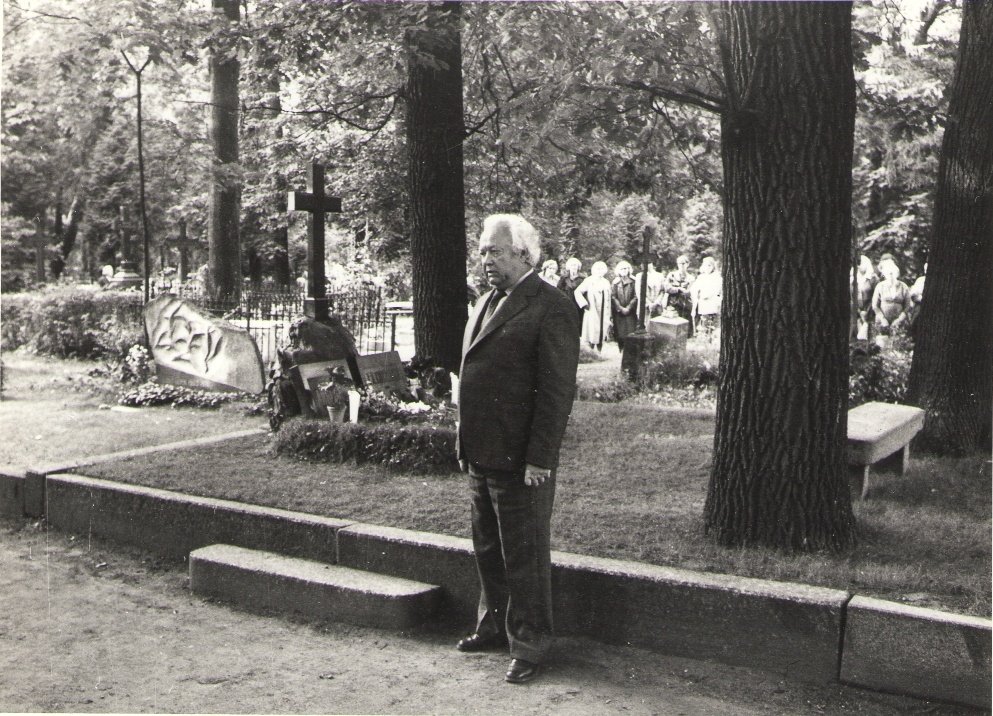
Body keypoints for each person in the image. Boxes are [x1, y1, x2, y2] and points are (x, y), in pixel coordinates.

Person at [456, 214, 580, 685]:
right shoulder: (487, 301)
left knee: (524, 553)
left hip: (521, 459)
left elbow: (555, 393)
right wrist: (464, 442)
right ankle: (492, 626)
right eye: (483, 250)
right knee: (487, 546)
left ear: (524, 255)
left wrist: (540, 459)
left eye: (495, 251)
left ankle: (529, 644)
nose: (485, 259)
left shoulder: (551, 306)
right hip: (481, 453)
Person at [872, 257, 912, 346]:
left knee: (897, 345)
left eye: (892, 273)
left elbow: (907, 306)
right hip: (882, 323)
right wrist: (883, 320)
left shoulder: (903, 286)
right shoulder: (880, 286)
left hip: (899, 323)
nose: (890, 275)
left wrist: (899, 319)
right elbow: (875, 306)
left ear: (896, 273)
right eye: (888, 273)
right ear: (884, 275)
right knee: (882, 346)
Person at [574, 261, 612, 351]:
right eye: (598, 269)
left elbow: (609, 298)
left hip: (603, 309)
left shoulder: (606, 282)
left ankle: (600, 349)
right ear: (594, 270)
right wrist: (584, 304)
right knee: (592, 329)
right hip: (592, 309)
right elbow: (577, 291)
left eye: (601, 269)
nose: (600, 271)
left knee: (602, 328)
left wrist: (610, 313)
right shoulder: (589, 280)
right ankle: (591, 350)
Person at [691, 256, 722, 342]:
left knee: (712, 323)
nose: (708, 268)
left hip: (713, 303)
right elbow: (694, 289)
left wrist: (708, 295)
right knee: (703, 322)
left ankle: (712, 340)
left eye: (710, 265)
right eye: (706, 265)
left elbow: (717, 290)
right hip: (703, 304)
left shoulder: (717, 277)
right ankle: (703, 340)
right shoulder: (701, 277)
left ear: (713, 266)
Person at [610, 260, 638, 351]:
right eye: (622, 269)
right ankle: (620, 349)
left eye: (626, 268)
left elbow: (636, 296)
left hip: (630, 311)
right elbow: (613, 297)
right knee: (620, 332)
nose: (624, 270)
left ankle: (630, 351)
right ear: (618, 270)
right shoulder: (615, 282)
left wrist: (629, 308)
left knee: (631, 331)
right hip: (619, 312)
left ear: (629, 269)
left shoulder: (634, 281)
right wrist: (621, 308)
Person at [664, 255, 695, 336]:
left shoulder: (691, 278)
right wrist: (678, 289)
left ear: (688, 264)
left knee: (684, 327)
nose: (681, 265)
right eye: (679, 263)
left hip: (685, 305)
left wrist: (687, 291)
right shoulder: (672, 275)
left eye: (683, 263)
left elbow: (691, 291)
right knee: (672, 325)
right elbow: (666, 287)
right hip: (673, 303)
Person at [556, 257, 586, 324]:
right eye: (572, 265)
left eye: (575, 265)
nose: (573, 267)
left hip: (579, 305)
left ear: (578, 267)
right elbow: (558, 290)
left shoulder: (583, 278)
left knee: (579, 322)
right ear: (568, 267)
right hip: (567, 303)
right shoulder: (564, 278)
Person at [855, 254, 878, 341]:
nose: (859, 266)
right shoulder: (853, 278)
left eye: (861, 264)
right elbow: (851, 296)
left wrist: (866, 311)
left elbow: (875, 296)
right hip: (857, 312)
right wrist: (859, 311)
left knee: (868, 335)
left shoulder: (873, 279)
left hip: (870, 312)